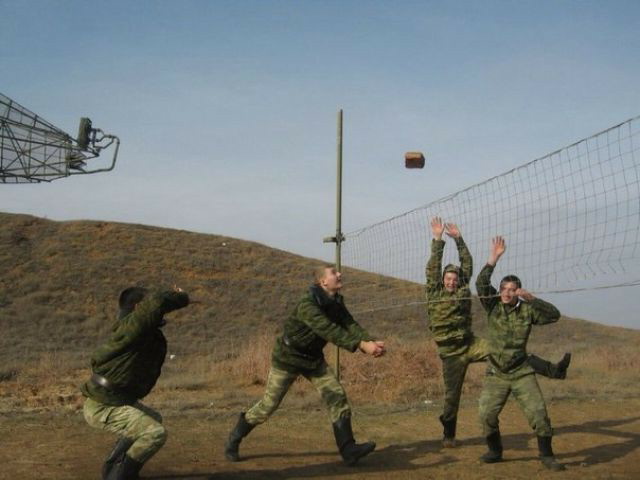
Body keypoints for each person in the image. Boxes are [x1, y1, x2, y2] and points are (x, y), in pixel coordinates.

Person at [426, 217, 570, 448]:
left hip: (470, 344)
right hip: (451, 353)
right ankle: (448, 434)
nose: (452, 282)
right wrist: (437, 238)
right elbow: (433, 266)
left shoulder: (462, 288)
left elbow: (467, 263)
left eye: (454, 278)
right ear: (442, 280)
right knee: (452, 396)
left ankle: (554, 370)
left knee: (508, 352)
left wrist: (459, 239)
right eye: (448, 279)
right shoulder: (434, 291)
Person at [224, 265, 386, 466]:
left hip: (313, 360)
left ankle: (349, 450)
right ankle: (235, 438)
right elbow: (328, 330)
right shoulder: (307, 303)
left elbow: (349, 324)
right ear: (322, 281)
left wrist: (370, 342)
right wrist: (361, 345)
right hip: (288, 357)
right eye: (333, 273)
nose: (339, 274)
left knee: (336, 396)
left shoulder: (336, 302)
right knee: (268, 406)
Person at [81, 286, 190, 480]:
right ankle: (121, 476)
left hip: (115, 399)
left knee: (154, 419)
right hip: (104, 405)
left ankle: (112, 468)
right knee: (154, 433)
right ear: (139, 307)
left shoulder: (137, 330)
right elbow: (156, 303)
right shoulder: (134, 326)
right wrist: (181, 297)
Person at [476, 236, 565, 471]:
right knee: (486, 414)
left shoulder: (527, 311)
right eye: (503, 289)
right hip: (496, 373)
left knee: (539, 414)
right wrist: (493, 258)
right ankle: (495, 451)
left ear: (518, 291)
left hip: (521, 372)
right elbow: (481, 283)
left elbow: (554, 315)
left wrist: (533, 300)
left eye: (511, 290)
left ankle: (547, 456)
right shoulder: (492, 305)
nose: (506, 293)